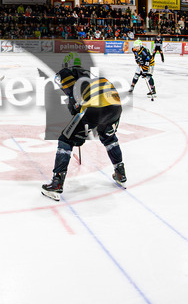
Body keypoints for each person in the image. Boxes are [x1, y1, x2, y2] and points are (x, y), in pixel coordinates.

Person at [42, 53, 126, 199]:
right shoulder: (89, 74)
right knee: (108, 137)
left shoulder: (66, 73)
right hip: (115, 107)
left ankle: (56, 183)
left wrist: (74, 111)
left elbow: (73, 102)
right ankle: (120, 172)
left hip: (95, 106)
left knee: (66, 139)